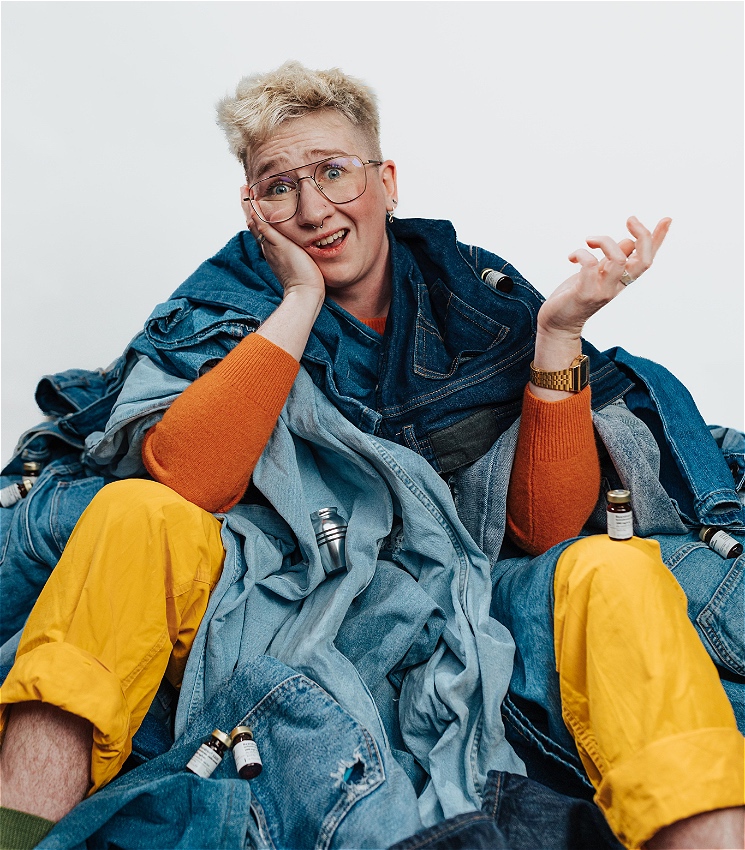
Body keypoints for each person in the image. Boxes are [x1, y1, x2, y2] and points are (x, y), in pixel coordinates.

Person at [0, 61, 742, 850]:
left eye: (333, 172)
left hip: (475, 603)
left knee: (616, 567)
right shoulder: (219, 304)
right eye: (279, 186)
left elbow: (546, 529)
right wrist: (297, 301)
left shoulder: (475, 295)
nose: (314, 209)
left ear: (385, 181)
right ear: (252, 207)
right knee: (132, 512)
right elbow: (188, 479)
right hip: (277, 598)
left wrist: (556, 335)